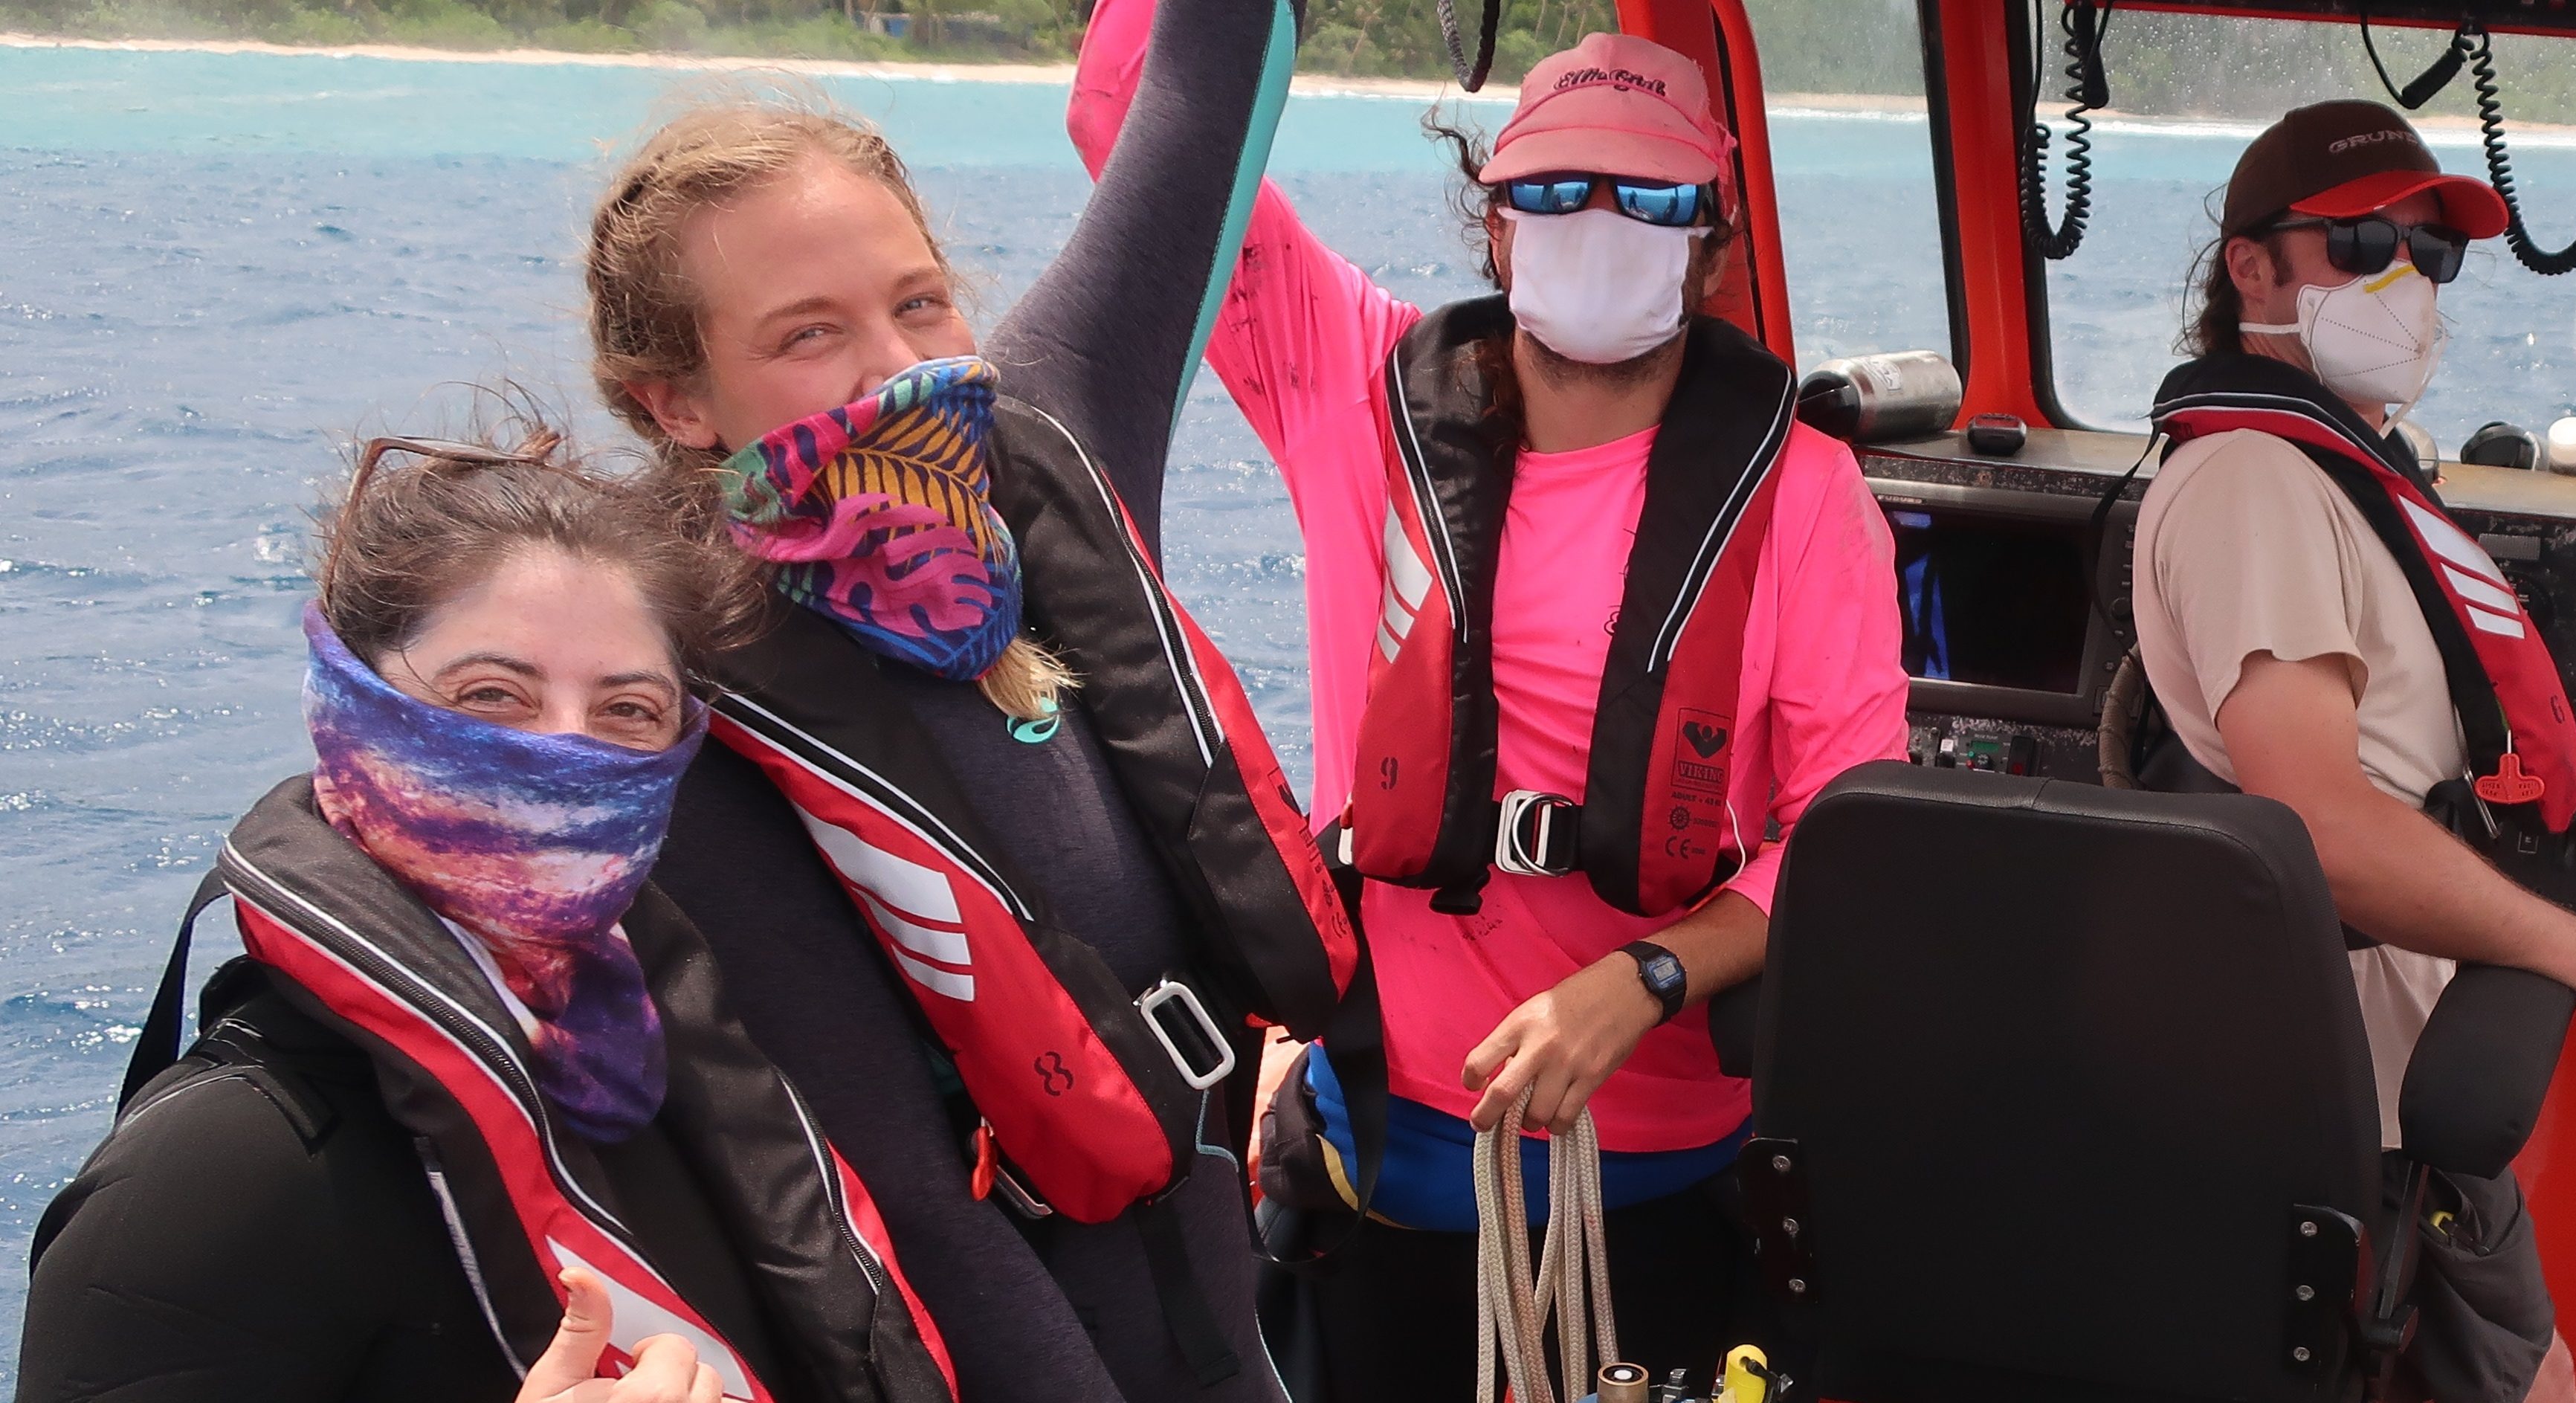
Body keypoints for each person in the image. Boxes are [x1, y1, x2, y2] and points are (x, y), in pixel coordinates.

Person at [1065, 6, 1906, 1394]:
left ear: (1712, 243)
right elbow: (1120, 101)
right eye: (1553, 190)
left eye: (1649, 197)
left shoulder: (1807, 499)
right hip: (1386, 1155)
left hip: (1658, 1176)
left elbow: (1843, 833)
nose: (1598, 221)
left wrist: (1648, 978)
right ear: (1497, 224)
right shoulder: (1352, 382)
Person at [575, 4, 1361, 1400]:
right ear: (678, 404)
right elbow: (915, 1199)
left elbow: (1198, 101)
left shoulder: (1043, 445)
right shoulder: (687, 701)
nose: (901, 368)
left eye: (920, 301)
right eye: (811, 334)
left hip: (1230, 1264)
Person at [23, 427, 957, 1403]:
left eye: (626, 711)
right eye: (493, 695)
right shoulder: (212, 1180)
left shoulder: (661, 1062)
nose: (565, 757)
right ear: (347, 702)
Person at [2127, 99, 2576, 1403]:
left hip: (2388, 1073)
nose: (2406, 282)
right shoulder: (2257, 483)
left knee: (2531, 1374)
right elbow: (2316, 826)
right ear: (2252, 268)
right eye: (2365, 242)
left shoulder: (2341, 466)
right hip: (2342, 1112)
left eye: (2430, 256)